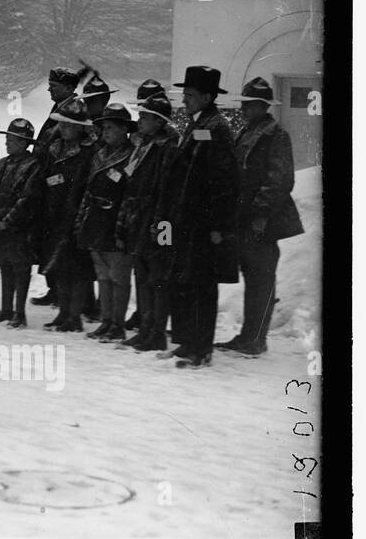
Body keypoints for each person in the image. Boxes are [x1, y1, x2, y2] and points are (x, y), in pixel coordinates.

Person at [217, 77, 303, 358]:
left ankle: (256, 339)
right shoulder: (246, 131)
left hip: (262, 221)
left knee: (262, 281)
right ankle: (248, 336)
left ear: (263, 106)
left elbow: (279, 180)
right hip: (244, 218)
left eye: (250, 105)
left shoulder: (275, 135)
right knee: (253, 278)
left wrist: (260, 214)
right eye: (244, 104)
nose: (244, 109)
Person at [159, 65, 239, 368]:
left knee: (201, 285)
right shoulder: (197, 124)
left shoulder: (216, 128)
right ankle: (186, 341)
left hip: (203, 225)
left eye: (190, 95)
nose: (184, 100)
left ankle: (201, 348)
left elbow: (225, 181)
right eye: (184, 94)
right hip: (184, 222)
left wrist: (219, 224)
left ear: (207, 97)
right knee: (182, 281)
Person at [116, 92, 176, 352]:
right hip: (139, 218)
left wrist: (160, 223)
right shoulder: (143, 145)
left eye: (145, 117)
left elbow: (166, 188)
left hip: (161, 221)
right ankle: (146, 328)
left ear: (159, 121)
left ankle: (157, 332)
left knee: (158, 275)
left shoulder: (169, 148)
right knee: (142, 272)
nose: (139, 121)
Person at [77, 103, 136, 342]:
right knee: (103, 274)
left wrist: (124, 224)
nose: (105, 132)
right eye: (103, 128)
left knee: (119, 275)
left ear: (124, 129)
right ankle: (106, 321)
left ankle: (118, 324)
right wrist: (82, 218)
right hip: (96, 219)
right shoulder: (99, 154)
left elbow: (130, 192)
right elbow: (89, 188)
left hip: (117, 219)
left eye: (111, 127)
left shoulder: (133, 154)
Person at [38, 99, 97, 332]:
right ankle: (63, 312)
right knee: (60, 267)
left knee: (78, 269)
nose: (64, 128)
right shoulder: (54, 149)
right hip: (54, 213)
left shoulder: (90, 152)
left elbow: (87, 186)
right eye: (62, 124)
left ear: (81, 127)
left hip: (77, 216)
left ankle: (75, 315)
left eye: (70, 124)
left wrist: (79, 215)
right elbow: (47, 178)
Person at [0, 118, 43, 328]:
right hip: (0, 225)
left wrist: (6, 222)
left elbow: (27, 200)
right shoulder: (2, 163)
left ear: (23, 142)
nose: (7, 142)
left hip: (20, 228)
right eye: (8, 138)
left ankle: (19, 312)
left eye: (12, 139)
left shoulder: (33, 166)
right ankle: (6, 308)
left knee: (20, 268)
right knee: (5, 265)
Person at [31, 67, 79, 308]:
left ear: (70, 88)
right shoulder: (58, 107)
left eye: (55, 86)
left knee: (59, 240)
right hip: (47, 179)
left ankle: (63, 292)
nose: (49, 89)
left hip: (60, 181)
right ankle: (54, 288)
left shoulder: (72, 110)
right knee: (48, 239)